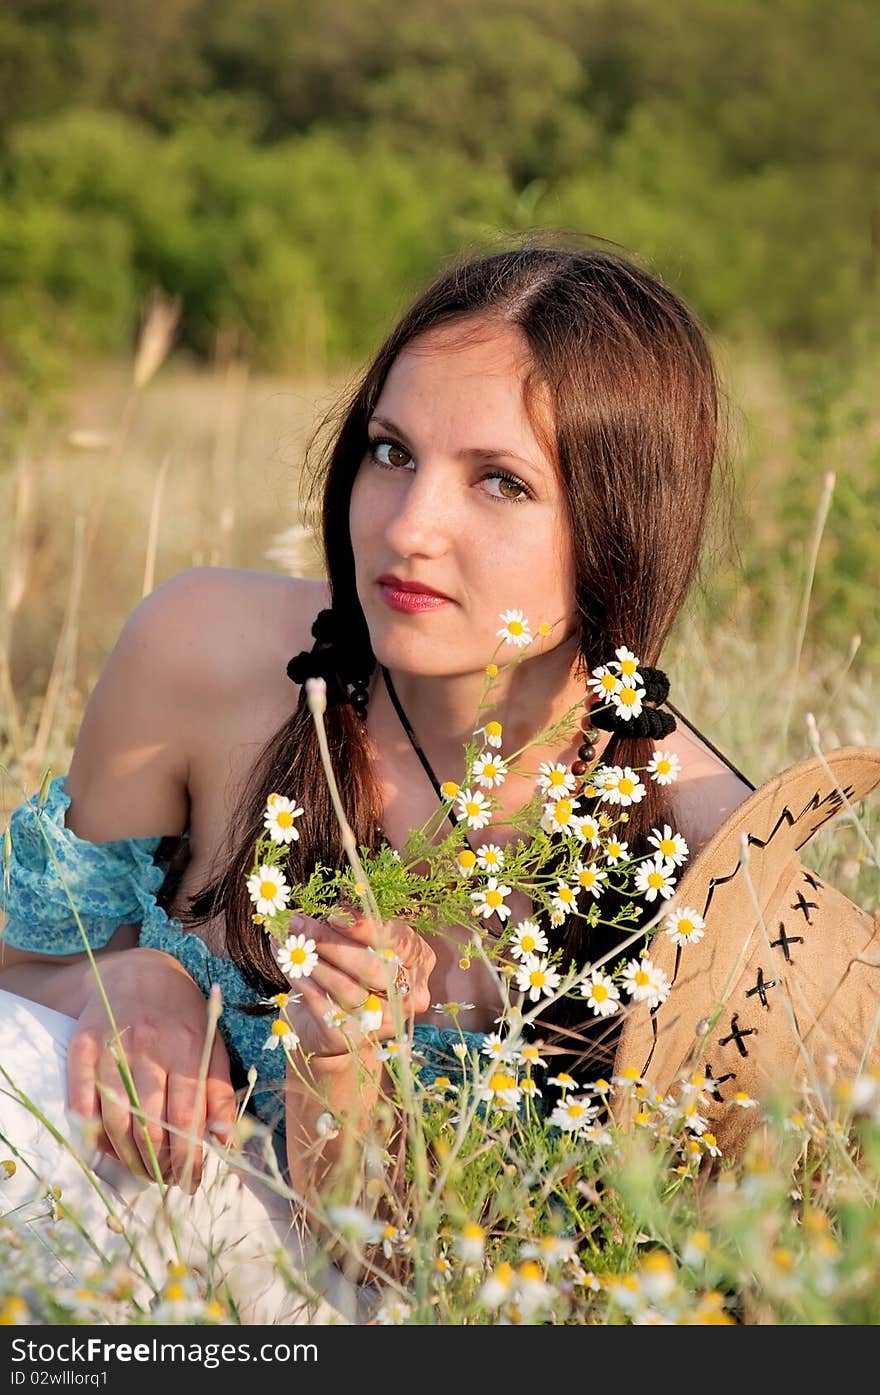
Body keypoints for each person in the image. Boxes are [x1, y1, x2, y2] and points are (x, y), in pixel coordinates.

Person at [1, 233, 875, 1323]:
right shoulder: (204, 652)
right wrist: (122, 981)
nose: (409, 529)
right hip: (139, 1252)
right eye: (390, 452)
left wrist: (347, 1085)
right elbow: (16, 975)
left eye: (500, 482)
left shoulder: (713, 870)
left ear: (615, 527)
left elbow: (589, 1288)